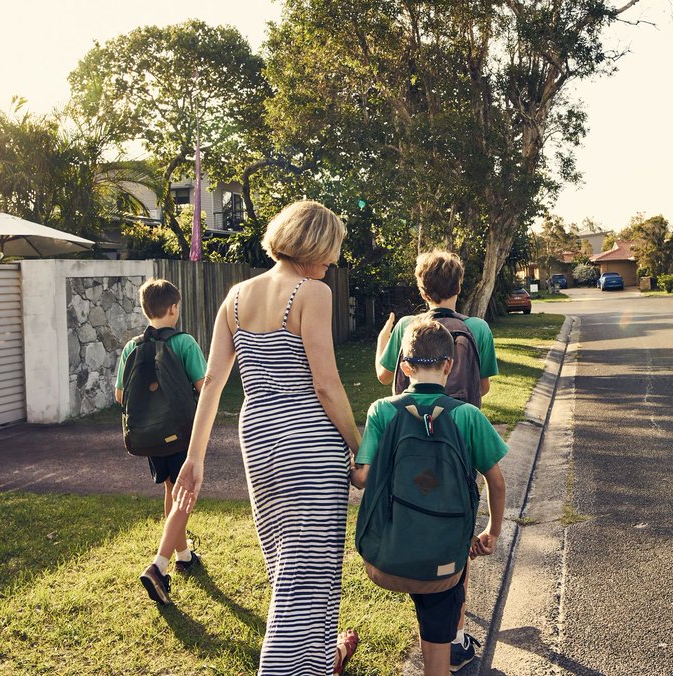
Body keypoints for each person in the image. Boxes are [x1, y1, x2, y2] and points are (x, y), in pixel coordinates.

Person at [172, 200, 363, 675]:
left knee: (287, 563)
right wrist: (362, 447)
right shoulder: (311, 292)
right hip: (308, 439)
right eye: (331, 251)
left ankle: (321, 661)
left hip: (258, 438)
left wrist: (194, 460)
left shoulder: (235, 296)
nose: (333, 262)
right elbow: (325, 384)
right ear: (313, 246)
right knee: (310, 567)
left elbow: (213, 383)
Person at [354, 317, 507, 675]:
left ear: (404, 367)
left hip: (387, 557)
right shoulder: (467, 416)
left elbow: (362, 478)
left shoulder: (382, 411)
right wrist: (492, 532)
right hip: (444, 560)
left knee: (417, 584)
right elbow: (496, 482)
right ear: (449, 366)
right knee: (438, 620)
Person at [114, 279, 206, 606]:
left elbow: (120, 395)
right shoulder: (184, 343)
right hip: (180, 433)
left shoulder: (132, 347)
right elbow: (202, 385)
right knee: (185, 492)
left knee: (171, 488)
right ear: (173, 308)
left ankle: (184, 554)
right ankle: (160, 566)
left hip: (150, 436)